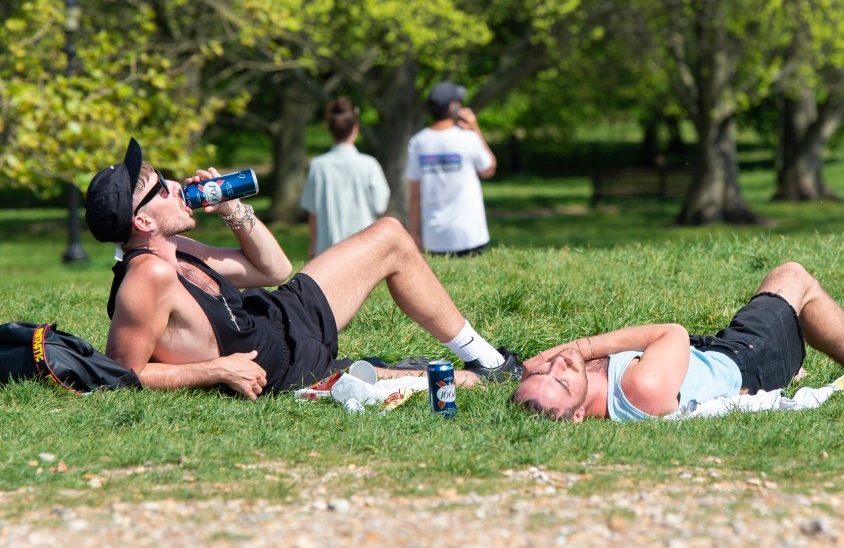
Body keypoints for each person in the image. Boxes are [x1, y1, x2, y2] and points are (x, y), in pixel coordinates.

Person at [84, 138, 523, 401]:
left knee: (390, 235)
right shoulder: (147, 279)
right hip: (298, 368)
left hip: (283, 313)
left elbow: (274, 268)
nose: (176, 186)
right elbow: (124, 373)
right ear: (142, 221)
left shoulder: (176, 249)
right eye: (161, 188)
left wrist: (233, 210)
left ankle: (487, 358)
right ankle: (471, 372)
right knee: (458, 384)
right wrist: (217, 371)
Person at [513, 262, 844, 422]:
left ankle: (795, 364)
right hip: (747, 361)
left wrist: (481, 376)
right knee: (792, 277)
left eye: (548, 367)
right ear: (578, 415)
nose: (556, 365)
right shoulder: (641, 388)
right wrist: (579, 349)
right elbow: (673, 333)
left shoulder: (558, 392)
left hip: (704, 358)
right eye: (562, 379)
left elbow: (509, 376)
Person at [405, 81, 496, 256]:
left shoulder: (417, 142)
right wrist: (475, 128)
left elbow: (415, 195)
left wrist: (414, 232)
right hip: (470, 236)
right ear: (453, 107)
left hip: (434, 238)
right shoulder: (468, 138)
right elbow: (489, 169)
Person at [300, 98, 390, 257]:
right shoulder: (369, 164)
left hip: (327, 250)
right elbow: (380, 207)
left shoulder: (318, 166)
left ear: (330, 130)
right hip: (364, 248)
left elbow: (312, 212)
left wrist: (313, 246)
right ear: (355, 128)